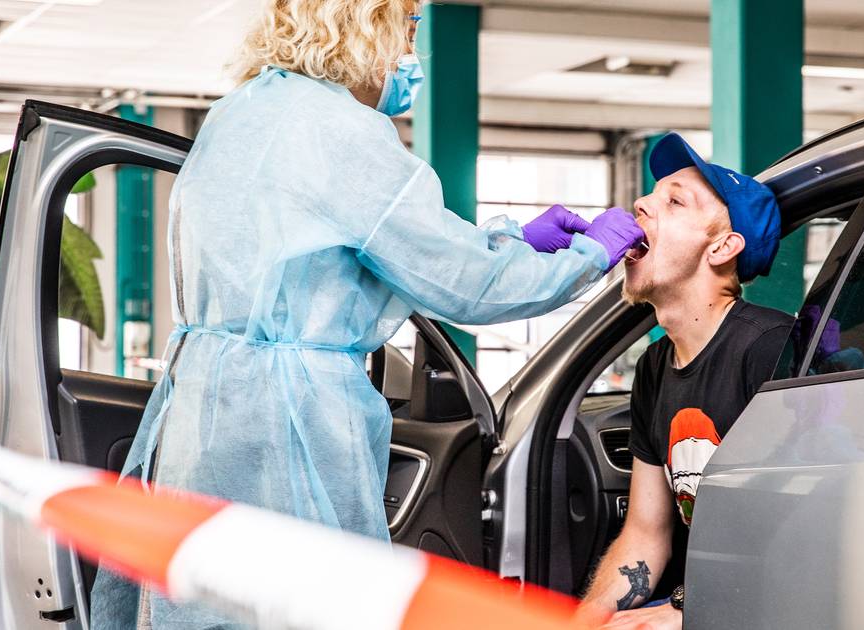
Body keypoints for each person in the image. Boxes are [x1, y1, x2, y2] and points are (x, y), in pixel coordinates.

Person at [90, 1, 645, 628]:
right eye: (408, 27)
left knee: (213, 595)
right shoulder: (342, 132)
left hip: (204, 409)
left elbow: (368, 248)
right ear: (365, 24)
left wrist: (512, 236)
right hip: (296, 415)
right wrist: (588, 256)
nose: (413, 49)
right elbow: (466, 285)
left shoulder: (241, 113)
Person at [576, 133, 794, 630]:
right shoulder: (655, 365)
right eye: (652, 194)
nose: (640, 204)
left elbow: (799, 528)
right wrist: (587, 619)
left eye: (674, 201)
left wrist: (680, 612)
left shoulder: (770, 349)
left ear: (721, 247)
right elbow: (646, 534)